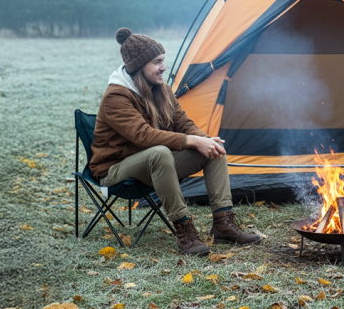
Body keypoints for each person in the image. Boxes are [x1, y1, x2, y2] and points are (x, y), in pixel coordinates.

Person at [89, 28, 261, 256]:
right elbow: (143, 135)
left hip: (153, 164)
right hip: (115, 169)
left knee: (213, 149)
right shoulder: (116, 96)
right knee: (159, 152)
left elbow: (183, 122)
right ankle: (185, 233)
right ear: (140, 66)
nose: (163, 67)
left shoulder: (161, 89)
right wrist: (190, 141)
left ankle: (223, 224)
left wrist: (204, 140)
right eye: (157, 62)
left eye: (163, 60)